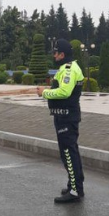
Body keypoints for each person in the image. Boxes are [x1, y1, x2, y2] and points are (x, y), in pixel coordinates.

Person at [37, 39, 86, 203]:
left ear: (62, 54)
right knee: (71, 152)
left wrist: (45, 93)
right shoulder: (67, 68)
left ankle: (75, 191)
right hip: (65, 116)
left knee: (68, 154)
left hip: (66, 117)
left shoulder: (68, 69)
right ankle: (76, 185)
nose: (54, 56)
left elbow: (64, 92)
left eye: (55, 53)